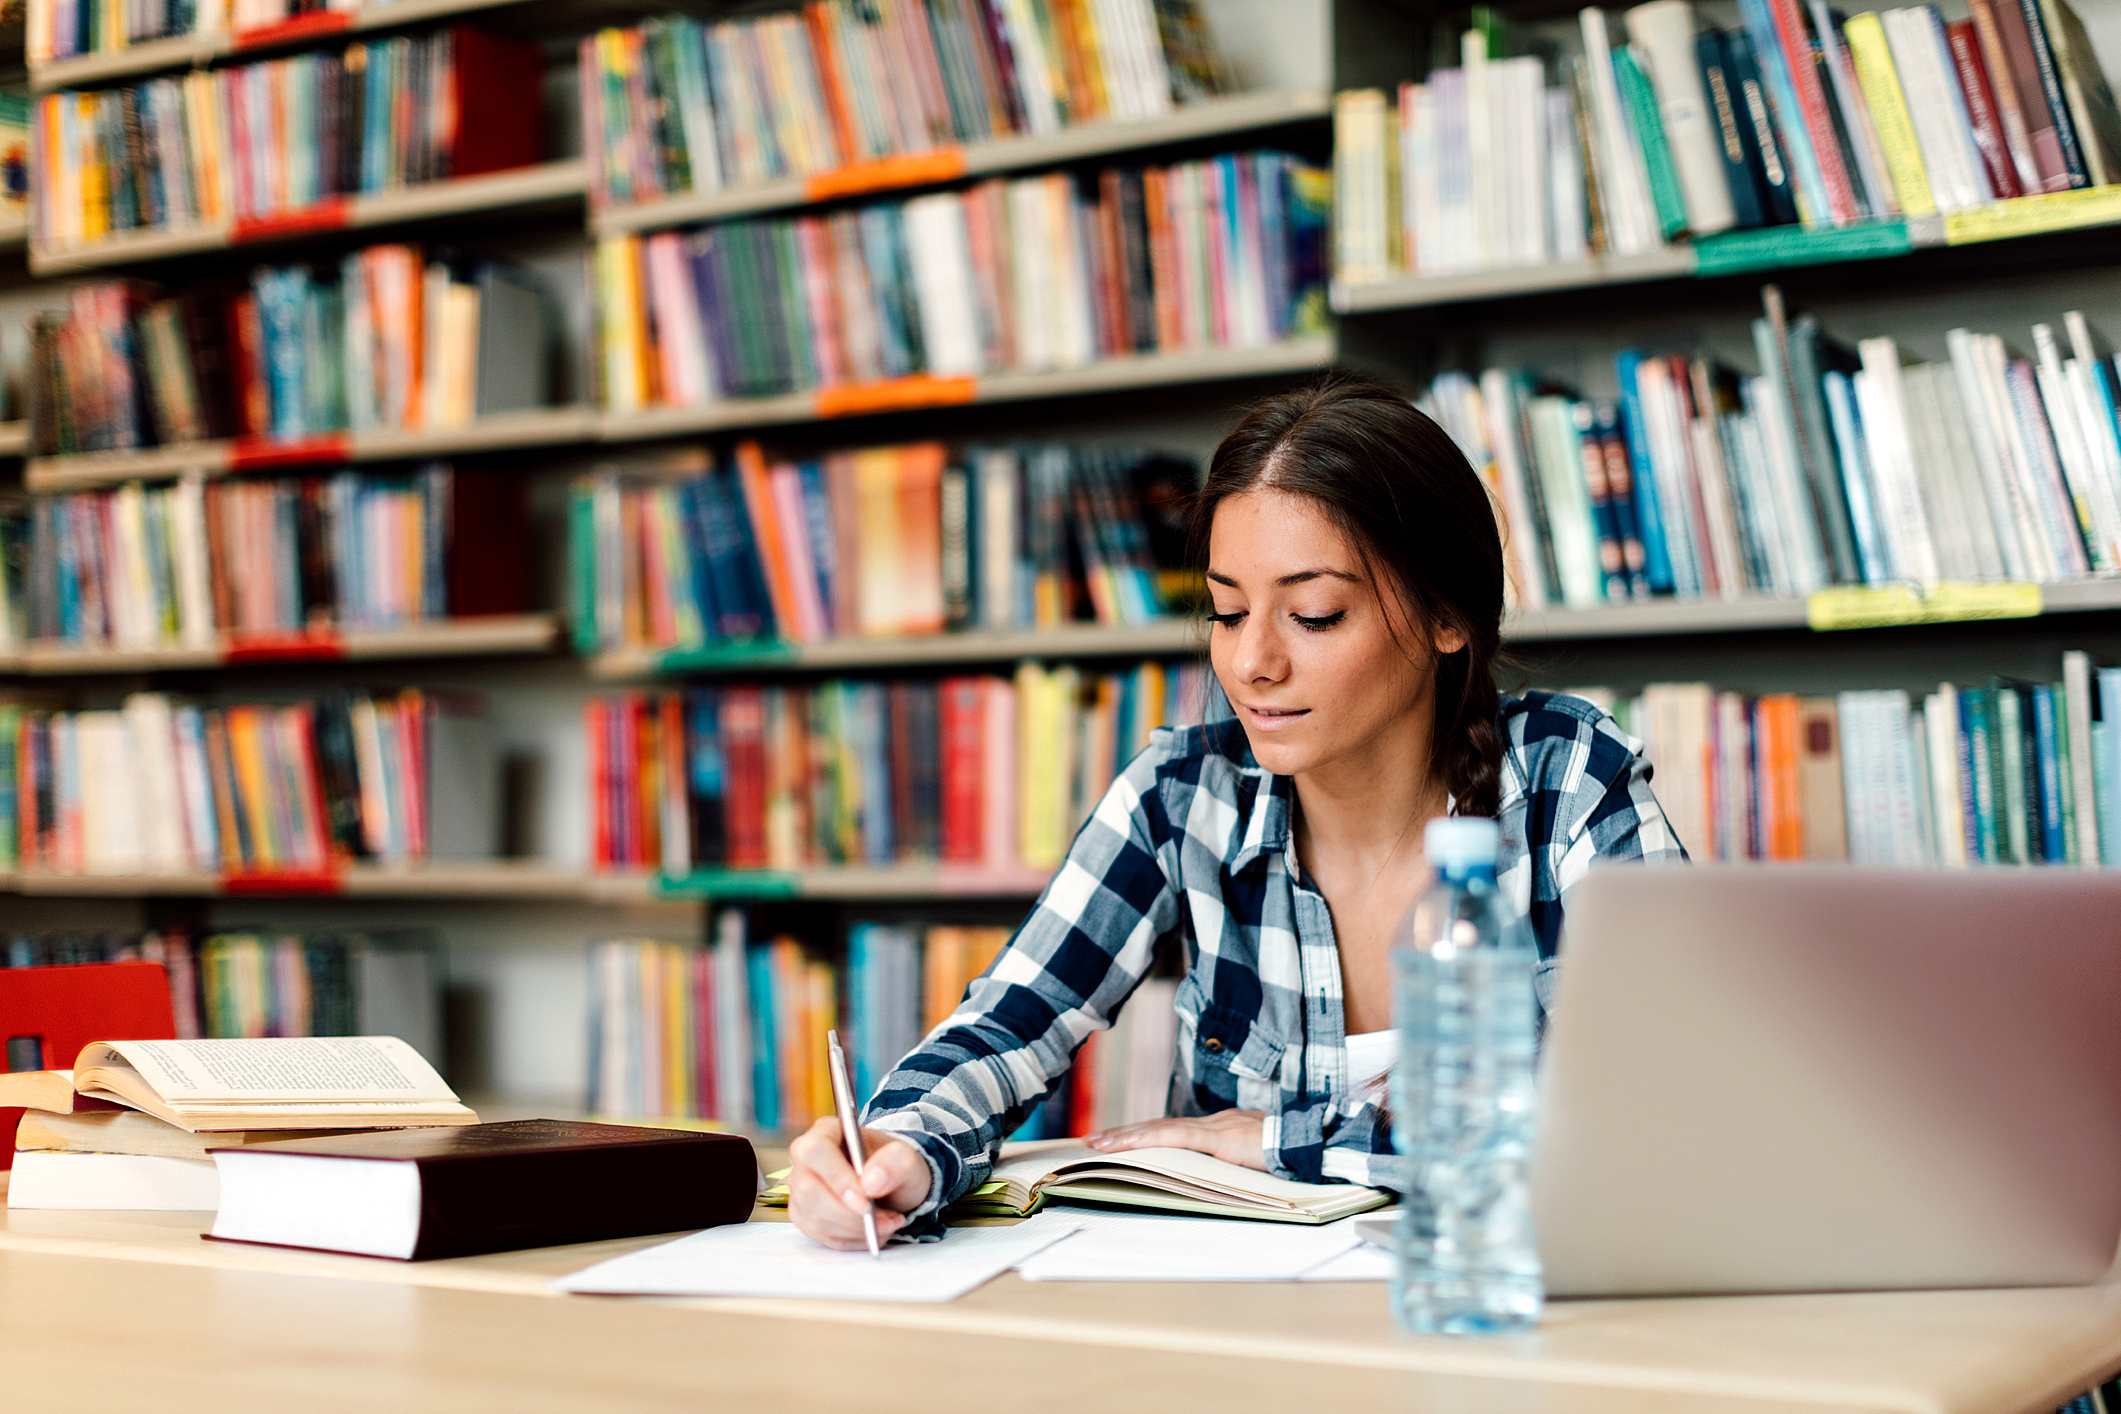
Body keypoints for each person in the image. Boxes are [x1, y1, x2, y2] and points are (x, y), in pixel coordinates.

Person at [788, 373, 1689, 1249]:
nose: (1252, 662)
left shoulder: (1568, 779)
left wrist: (1276, 1140)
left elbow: (1665, 1108)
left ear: (1449, 615)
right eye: (1226, 612)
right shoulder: (1181, 796)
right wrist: (899, 1146)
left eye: (1315, 614)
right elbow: (1012, 1020)